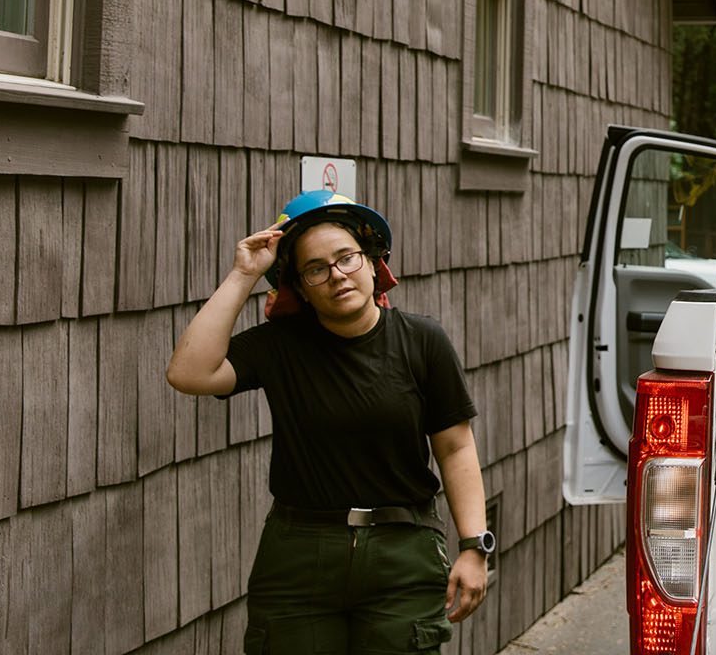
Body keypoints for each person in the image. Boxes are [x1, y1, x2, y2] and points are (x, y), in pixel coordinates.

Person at [166, 189, 492, 650]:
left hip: (403, 551)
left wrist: (474, 546)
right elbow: (188, 372)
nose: (337, 275)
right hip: (299, 556)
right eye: (316, 268)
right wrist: (243, 275)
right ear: (297, 286)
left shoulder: (422, 341)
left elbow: (455, 447)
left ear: (373, 261)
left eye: (347, 258)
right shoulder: (280, 346)